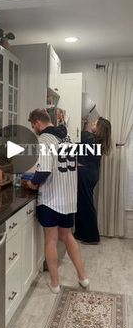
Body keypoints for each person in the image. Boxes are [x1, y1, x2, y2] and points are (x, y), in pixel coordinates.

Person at [27, 108, 89, 293]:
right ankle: (83, 277)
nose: (34, 129)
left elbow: (44, 171)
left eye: (33, 126)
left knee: (51, 240)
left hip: (52, 198)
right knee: (67, 235)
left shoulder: (45, 139)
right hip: (68, 197)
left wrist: (32, 183)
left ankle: (54, 283)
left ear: (38, 122)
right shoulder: (67, 137)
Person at [74, 116, 112, 244]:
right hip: (91, 174)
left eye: (95, 123)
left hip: (86, 175)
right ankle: (80, 233)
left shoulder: (91, 139)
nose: (93, 123)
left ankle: (92, 237)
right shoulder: (97, 141)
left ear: (100, 128)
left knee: (85, 204)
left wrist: (81, 125)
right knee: (81, 203)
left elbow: (80, 137)